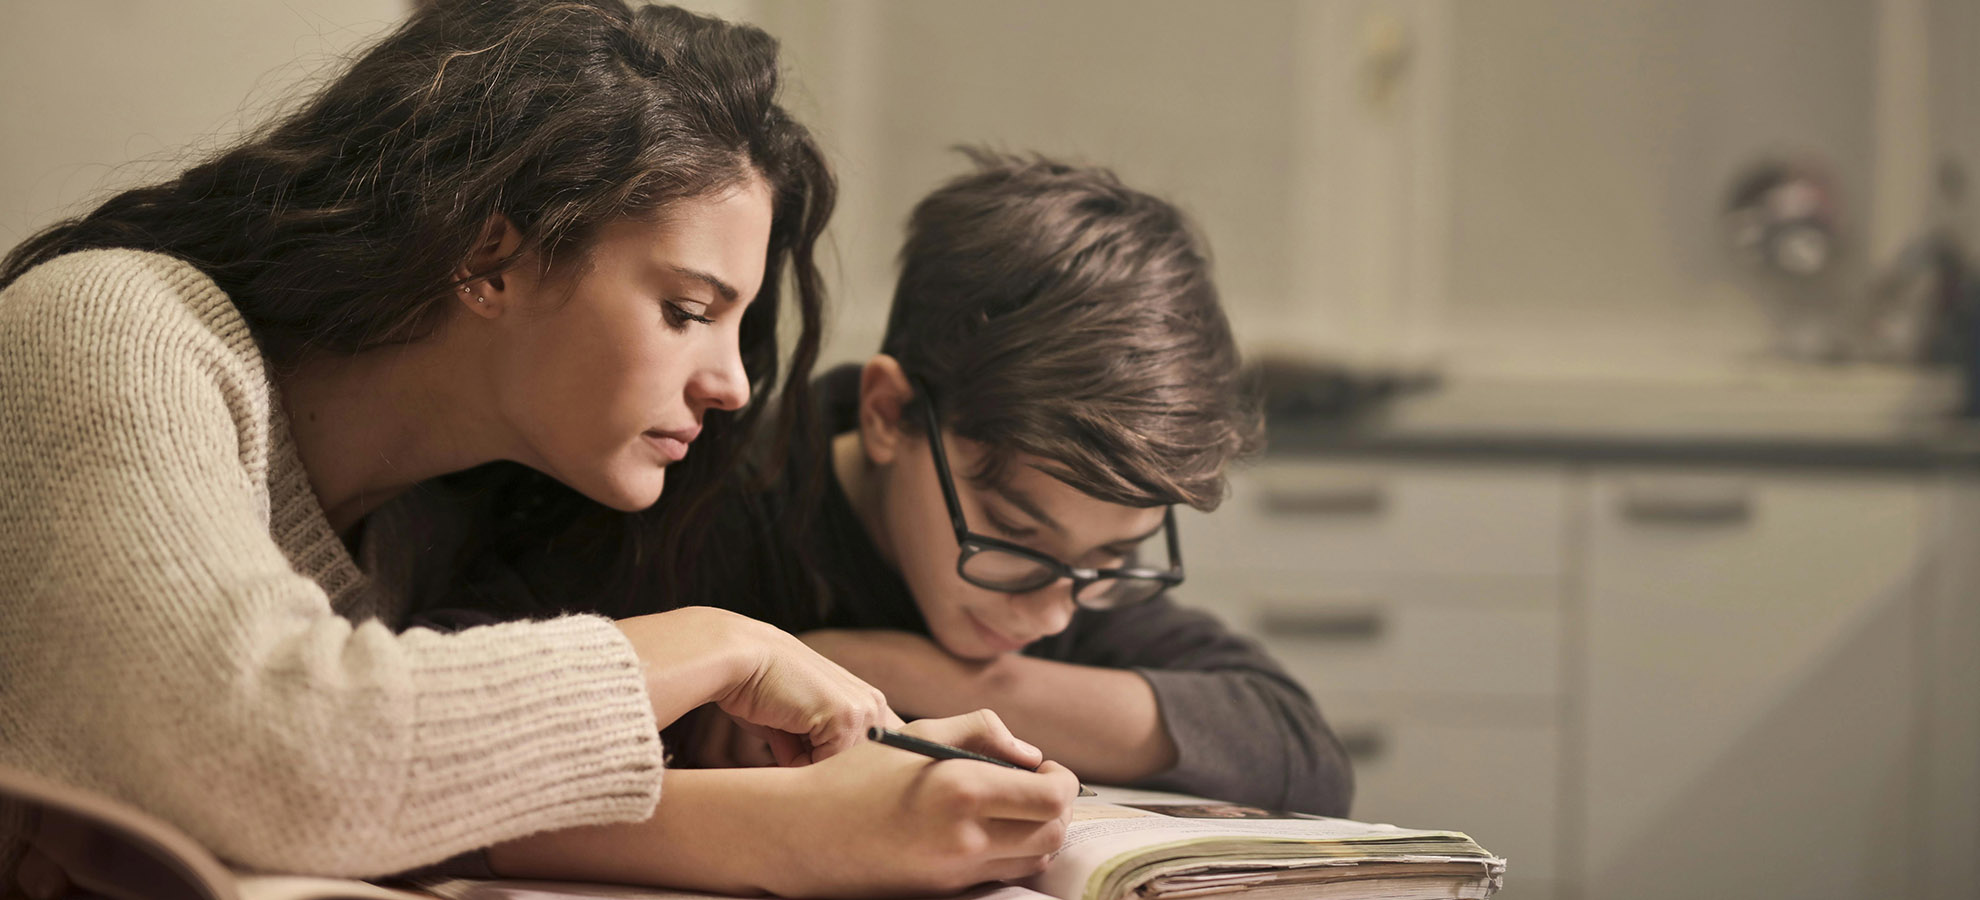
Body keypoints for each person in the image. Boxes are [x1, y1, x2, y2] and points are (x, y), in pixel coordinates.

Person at [0, 3, 1072, 896]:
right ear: (490, 255)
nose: (734, 384)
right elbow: (287, 753)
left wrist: (787, 801)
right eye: (688, 308)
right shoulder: (117, 328)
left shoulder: (435, 521)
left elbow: (380, 799)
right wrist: (719, 647)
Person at [410, 151, 1355, 817]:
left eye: (1113, 559)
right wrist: (699, 716)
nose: (1056, 613)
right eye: (1013, 537)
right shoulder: (695, 495)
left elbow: (1294, 747)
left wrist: (899, 673)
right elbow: (441, 685)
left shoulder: (1059, 578)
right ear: (890, 414)